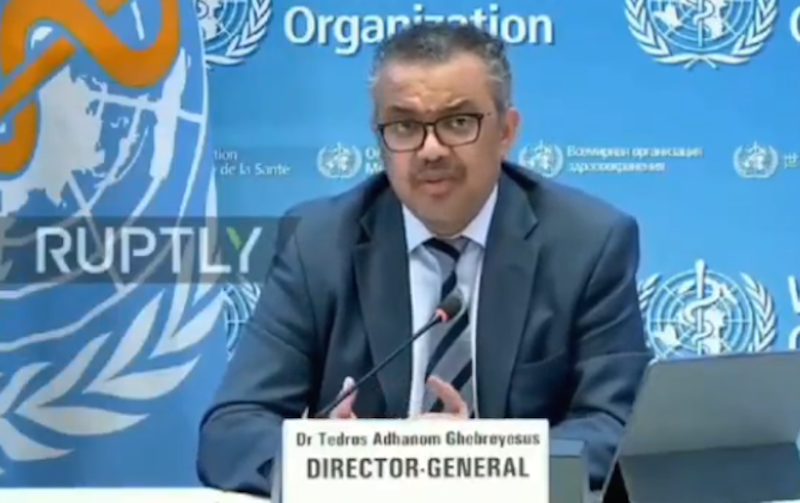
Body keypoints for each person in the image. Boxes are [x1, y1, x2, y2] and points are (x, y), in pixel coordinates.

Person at [197, 21, 651, 496]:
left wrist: (474, 462)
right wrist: (343, 460)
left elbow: (616, 428)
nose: (430, 150)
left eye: (458, 122)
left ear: (506, 132)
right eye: (405, 126)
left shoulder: (588, 242)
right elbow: (232, 431)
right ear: (379, 138)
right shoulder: (317, 244)